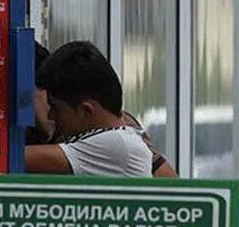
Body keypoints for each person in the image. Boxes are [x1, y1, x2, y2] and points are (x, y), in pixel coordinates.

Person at [24, 41, 159, 177]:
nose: (51, 116)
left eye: (56, 108)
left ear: (86, 110)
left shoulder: (115, 144)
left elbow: (17, 157)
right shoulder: (119, 136)